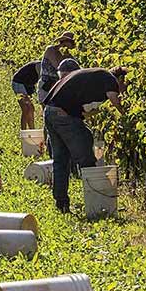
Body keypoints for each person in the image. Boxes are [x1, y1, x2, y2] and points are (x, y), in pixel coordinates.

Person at [42, 66, 127, 214]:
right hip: (62, 115)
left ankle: (61, 203)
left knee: (61, 159)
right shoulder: (110, 79)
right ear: (120, 79)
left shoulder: (95, 77)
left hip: (50, 111)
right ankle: (99, 203)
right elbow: (116, 101)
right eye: (125, 85)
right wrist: (128, 118)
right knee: (86, 155)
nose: (124, 90)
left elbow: (81, 111)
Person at [37, 31, 76, 104]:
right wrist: (64, 57)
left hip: (58, 86)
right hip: (47, 85)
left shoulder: (69, 56)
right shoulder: (51, 50)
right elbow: (58, 67)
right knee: (46, 110)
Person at [11, 60, 41, 131]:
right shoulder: (40, 65)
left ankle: (32, 131)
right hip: (19, 83)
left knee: (31, 108)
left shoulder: (45, 67)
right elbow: (42, 82)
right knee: (26, 108)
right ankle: (24, 131)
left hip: (28, 85)